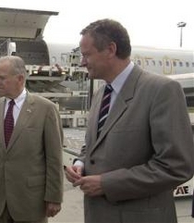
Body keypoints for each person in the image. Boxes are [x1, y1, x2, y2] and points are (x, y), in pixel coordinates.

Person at [64, 19, 194, 223]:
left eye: (87, 54)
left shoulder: (160, 91)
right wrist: (80, 163)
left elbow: (177, 166)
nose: (81, 62)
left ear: (110, 49)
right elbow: (94, 146)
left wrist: (107, 184)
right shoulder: (100, 94)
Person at [0, 55, 64, 223]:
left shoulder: (46, 109)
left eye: (2, 77)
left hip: (30, 201)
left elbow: (54, 158)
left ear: (20, 79)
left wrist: (54, 196)